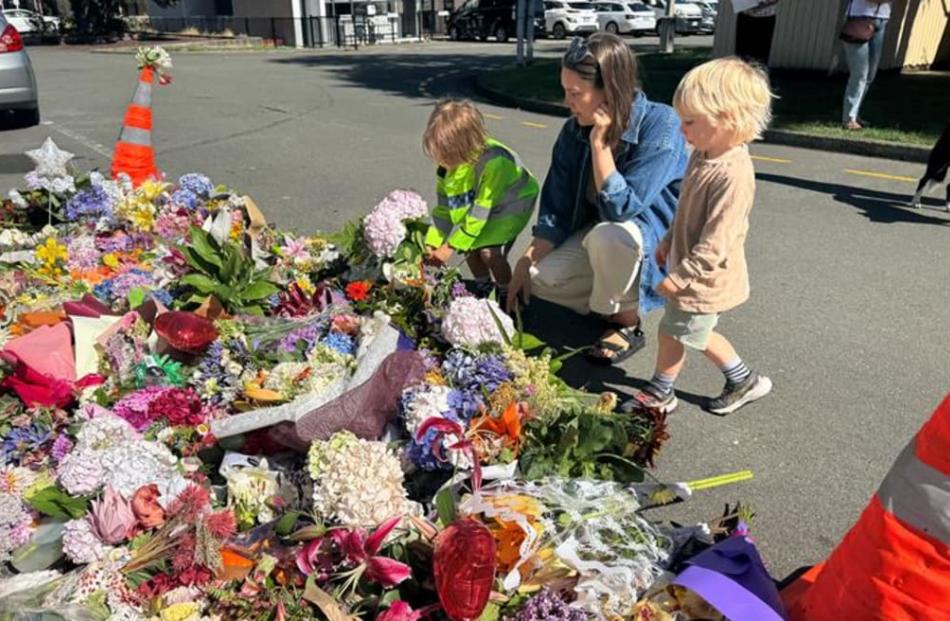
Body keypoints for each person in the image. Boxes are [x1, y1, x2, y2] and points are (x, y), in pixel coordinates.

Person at [506, 33, 687, 365]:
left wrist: (600, 146)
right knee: (538, 279)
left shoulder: (661, 126)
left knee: (610, 236)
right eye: (565, 91)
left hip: (647, 244)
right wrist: (526, 260)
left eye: (575, 93)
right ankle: (607, 298)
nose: (566, 102)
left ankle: (625, 323)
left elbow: (621, 210)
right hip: (600, 236)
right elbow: (556, 211)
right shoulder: (572, 131)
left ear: (611, 92)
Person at [629, 57, 774, 415]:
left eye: (690, 122)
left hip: (705, 277)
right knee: (687, 332)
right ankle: (742, 379)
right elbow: (686, 209)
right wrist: (666, 240)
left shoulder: (733, 174)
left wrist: (680, 277)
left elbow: (716, 240)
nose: (682, 130)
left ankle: (664, 391)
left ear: (729, 118)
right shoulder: (704, 155)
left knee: (682, 331)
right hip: (690, 270)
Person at [422, 99, 539, 295]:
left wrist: (449, 247)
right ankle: (484, 289)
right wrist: (432, 241)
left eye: (448, 153)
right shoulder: (446, 167)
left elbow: (479, 213)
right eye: (439, 152)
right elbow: (444, 210)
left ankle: (507, 293)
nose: (443, 160)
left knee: (489, 252)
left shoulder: (494, 163)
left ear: (467, 145)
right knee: (469, 249)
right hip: (485, 206)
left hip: (513, 203)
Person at [841, 0, 891, 130]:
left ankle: (855, 113)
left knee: (869, 75)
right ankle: (848, 118)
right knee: (859, 74)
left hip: (881, 19)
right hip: (861, 17)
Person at [733, 0, 781, 66]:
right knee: (741, 57)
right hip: (745, 16)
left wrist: (759, 4)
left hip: (765, 19)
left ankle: (757, 74)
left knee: (760, 59)